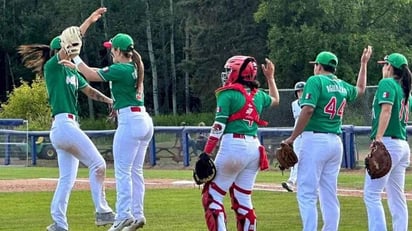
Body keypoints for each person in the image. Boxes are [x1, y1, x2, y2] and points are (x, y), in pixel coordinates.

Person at [18, 8, 115, 231]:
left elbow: (90, 91)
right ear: (59, 49)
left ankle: (59, 224)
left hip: (67, 128)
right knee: (98, 164)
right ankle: (102, 211)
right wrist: (85, 25)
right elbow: (71, 39)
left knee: (67, 180)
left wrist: (110, 101)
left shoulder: (72, 71)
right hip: (63, 125)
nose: (71, 48)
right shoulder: (53, 67)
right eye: (66, 46)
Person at [60, 33, 153, 231]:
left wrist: (75, 58)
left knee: (123, 172)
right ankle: (137, 214)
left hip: (131, 121)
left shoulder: (122, 68)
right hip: (142, 119)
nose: (111, 51)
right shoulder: (134, 66)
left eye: (113, 48)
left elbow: (91, 74)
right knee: (135, 172)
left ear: (119, 51)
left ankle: (123, 216)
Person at [283, 46, 372, 231]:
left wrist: (292, 137)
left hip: (315, 140)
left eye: (315, 64)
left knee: (307, 193)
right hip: (335, 142)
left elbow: (307, 110)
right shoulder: (341, 85)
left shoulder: (315, 81)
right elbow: (361, 89)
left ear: (318, 66)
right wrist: (363, 64)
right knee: (328, 194)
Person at [198, 55, 280, 231]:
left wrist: (206, 152)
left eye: (229, 70)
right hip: (254, 149)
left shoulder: (227, 94)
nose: (226, 74)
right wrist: (271, 78)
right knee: (243, 199)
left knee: (212, 197)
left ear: (237, 72)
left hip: (233, 146)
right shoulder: (258, 96)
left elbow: (219, 126)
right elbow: (276, 99)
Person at [364, 53, 411, 231]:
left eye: (385, 64)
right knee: (396, 196)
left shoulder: (388, 83)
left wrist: (377, 139)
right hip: (401, 144)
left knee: (371, 195)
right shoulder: (405, 89)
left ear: (390, 67)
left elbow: (386, 111)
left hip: (388, 142)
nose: (383, 67)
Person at [281, 81, 305, 192]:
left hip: (309, 134)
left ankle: (298, 181)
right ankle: (291, 181)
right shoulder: (294, 104)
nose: (300, 93)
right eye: (298, 91)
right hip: (298, 136)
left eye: (302, 91)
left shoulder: (312, 103)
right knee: (295, 159)